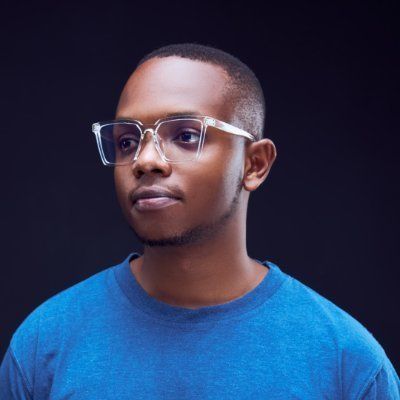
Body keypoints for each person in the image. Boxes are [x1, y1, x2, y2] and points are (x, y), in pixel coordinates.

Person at [0, 43, 398, 399]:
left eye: (186, 136)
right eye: (127, 141)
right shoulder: (44, 346)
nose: (145, 160)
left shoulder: (348, 366)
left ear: (254, 164)